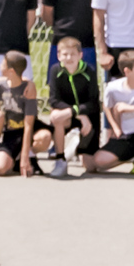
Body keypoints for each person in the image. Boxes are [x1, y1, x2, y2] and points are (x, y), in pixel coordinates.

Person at [0, 51, 52, 177]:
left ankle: (28, 156)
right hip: (11, 133)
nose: (0, 66)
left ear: (11, 71)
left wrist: (25, 157)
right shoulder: (1, 85)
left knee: (45, 137)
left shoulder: (28, 89)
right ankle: (10, 158)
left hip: (28, 130)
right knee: (0, 169)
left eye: (3, 64)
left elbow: (29, 125)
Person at [47, 36, 101, 178]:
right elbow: (54, 100)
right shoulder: (55, 71)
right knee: (56, 117)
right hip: (69, 116)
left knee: (90, 166)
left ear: (80, 55)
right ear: (59, 55)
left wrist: (82, 114)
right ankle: (60, 159)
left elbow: (94, 102)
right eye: (65, 54)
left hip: (89, 117)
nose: (69, 58)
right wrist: (77, 113)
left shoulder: (89, 71)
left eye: (73, 54)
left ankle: (75, 145)